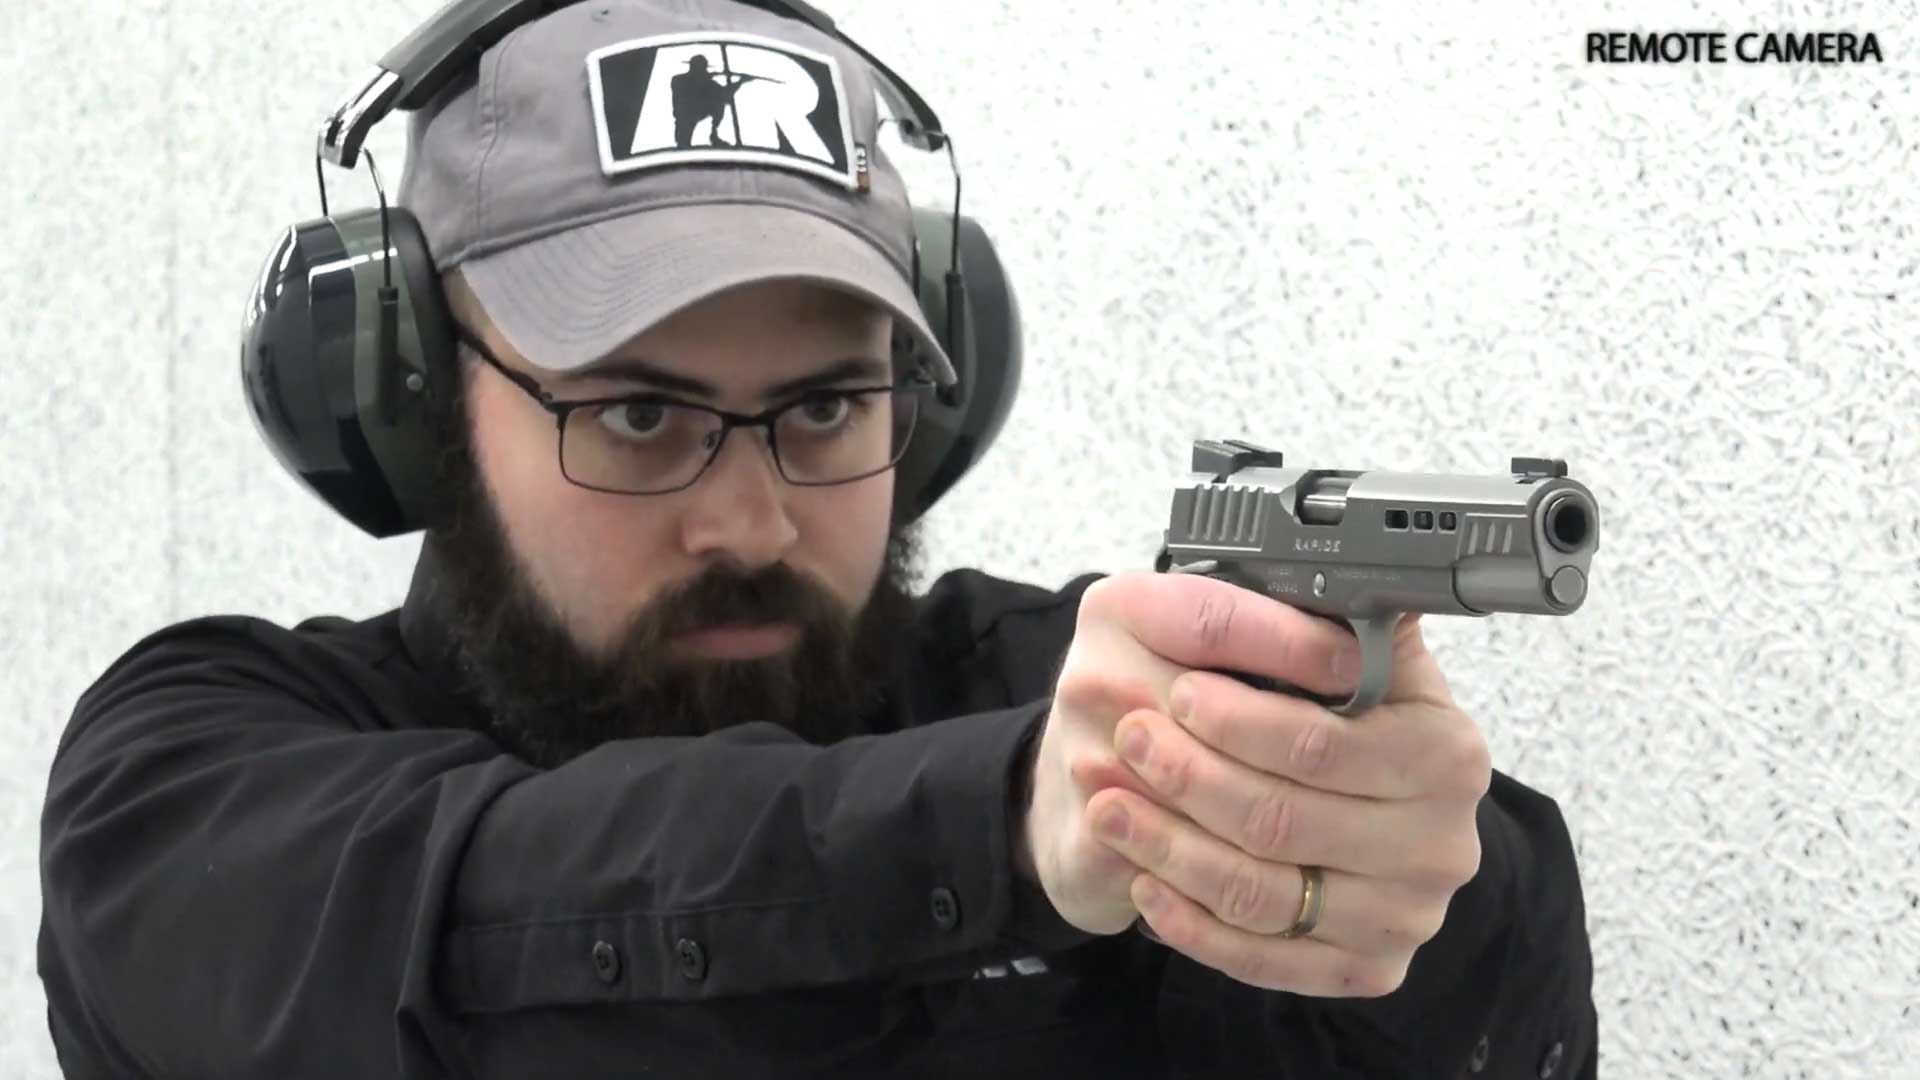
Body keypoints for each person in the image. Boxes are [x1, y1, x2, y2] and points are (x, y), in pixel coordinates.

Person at [36, 1, 1598, 1077]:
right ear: (413, 403)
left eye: (828, 407)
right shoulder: (190, 782)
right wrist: (1005, 832)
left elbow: (1492, 1014)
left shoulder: (1072, 705)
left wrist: (1414, 887)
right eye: (639, 415)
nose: (753, 514)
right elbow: (482, 920)